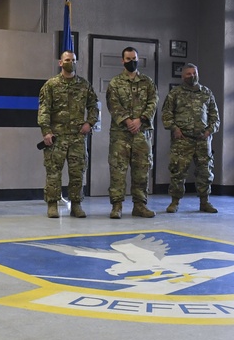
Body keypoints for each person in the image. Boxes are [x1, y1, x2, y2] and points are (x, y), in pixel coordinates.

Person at [37, 50, 99, 218]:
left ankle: (76, 204)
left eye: (73, 60)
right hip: (56, 137)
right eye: (67, 59)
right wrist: (46, 132)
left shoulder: (84, 85)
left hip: (78, 137)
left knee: (77, 172)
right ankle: (52, 204)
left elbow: (94, 106)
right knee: (53, 172)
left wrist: (90, 122)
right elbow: (44, 110)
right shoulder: (51, 85)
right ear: (60, 63)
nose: (70, 62)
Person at [106, 46, 157, 219]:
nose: (132, 61)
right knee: (118, 171)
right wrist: (128, 121)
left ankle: (140, 205)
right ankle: (117, 206)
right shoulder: (115, 83)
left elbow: (153, 102)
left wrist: (140, 120)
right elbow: (113, 105)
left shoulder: (148, 82)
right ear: (123, 61)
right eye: (128, 59)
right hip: (121, 134)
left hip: (142, 134)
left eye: (134, 58)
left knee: (142, 170)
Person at [161, 63, 220, 214]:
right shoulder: (175, 93)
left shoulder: (206, 93)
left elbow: (215, 117)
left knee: (205, 172)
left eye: (194, 73)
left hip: (202, 140)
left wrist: (209, 131)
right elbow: (166, 115)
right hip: (182, 140)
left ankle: (204, 202)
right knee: (178, 172)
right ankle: (174, 202)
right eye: (188, 74)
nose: (192, 76)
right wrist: (174, 128)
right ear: (182, 76)